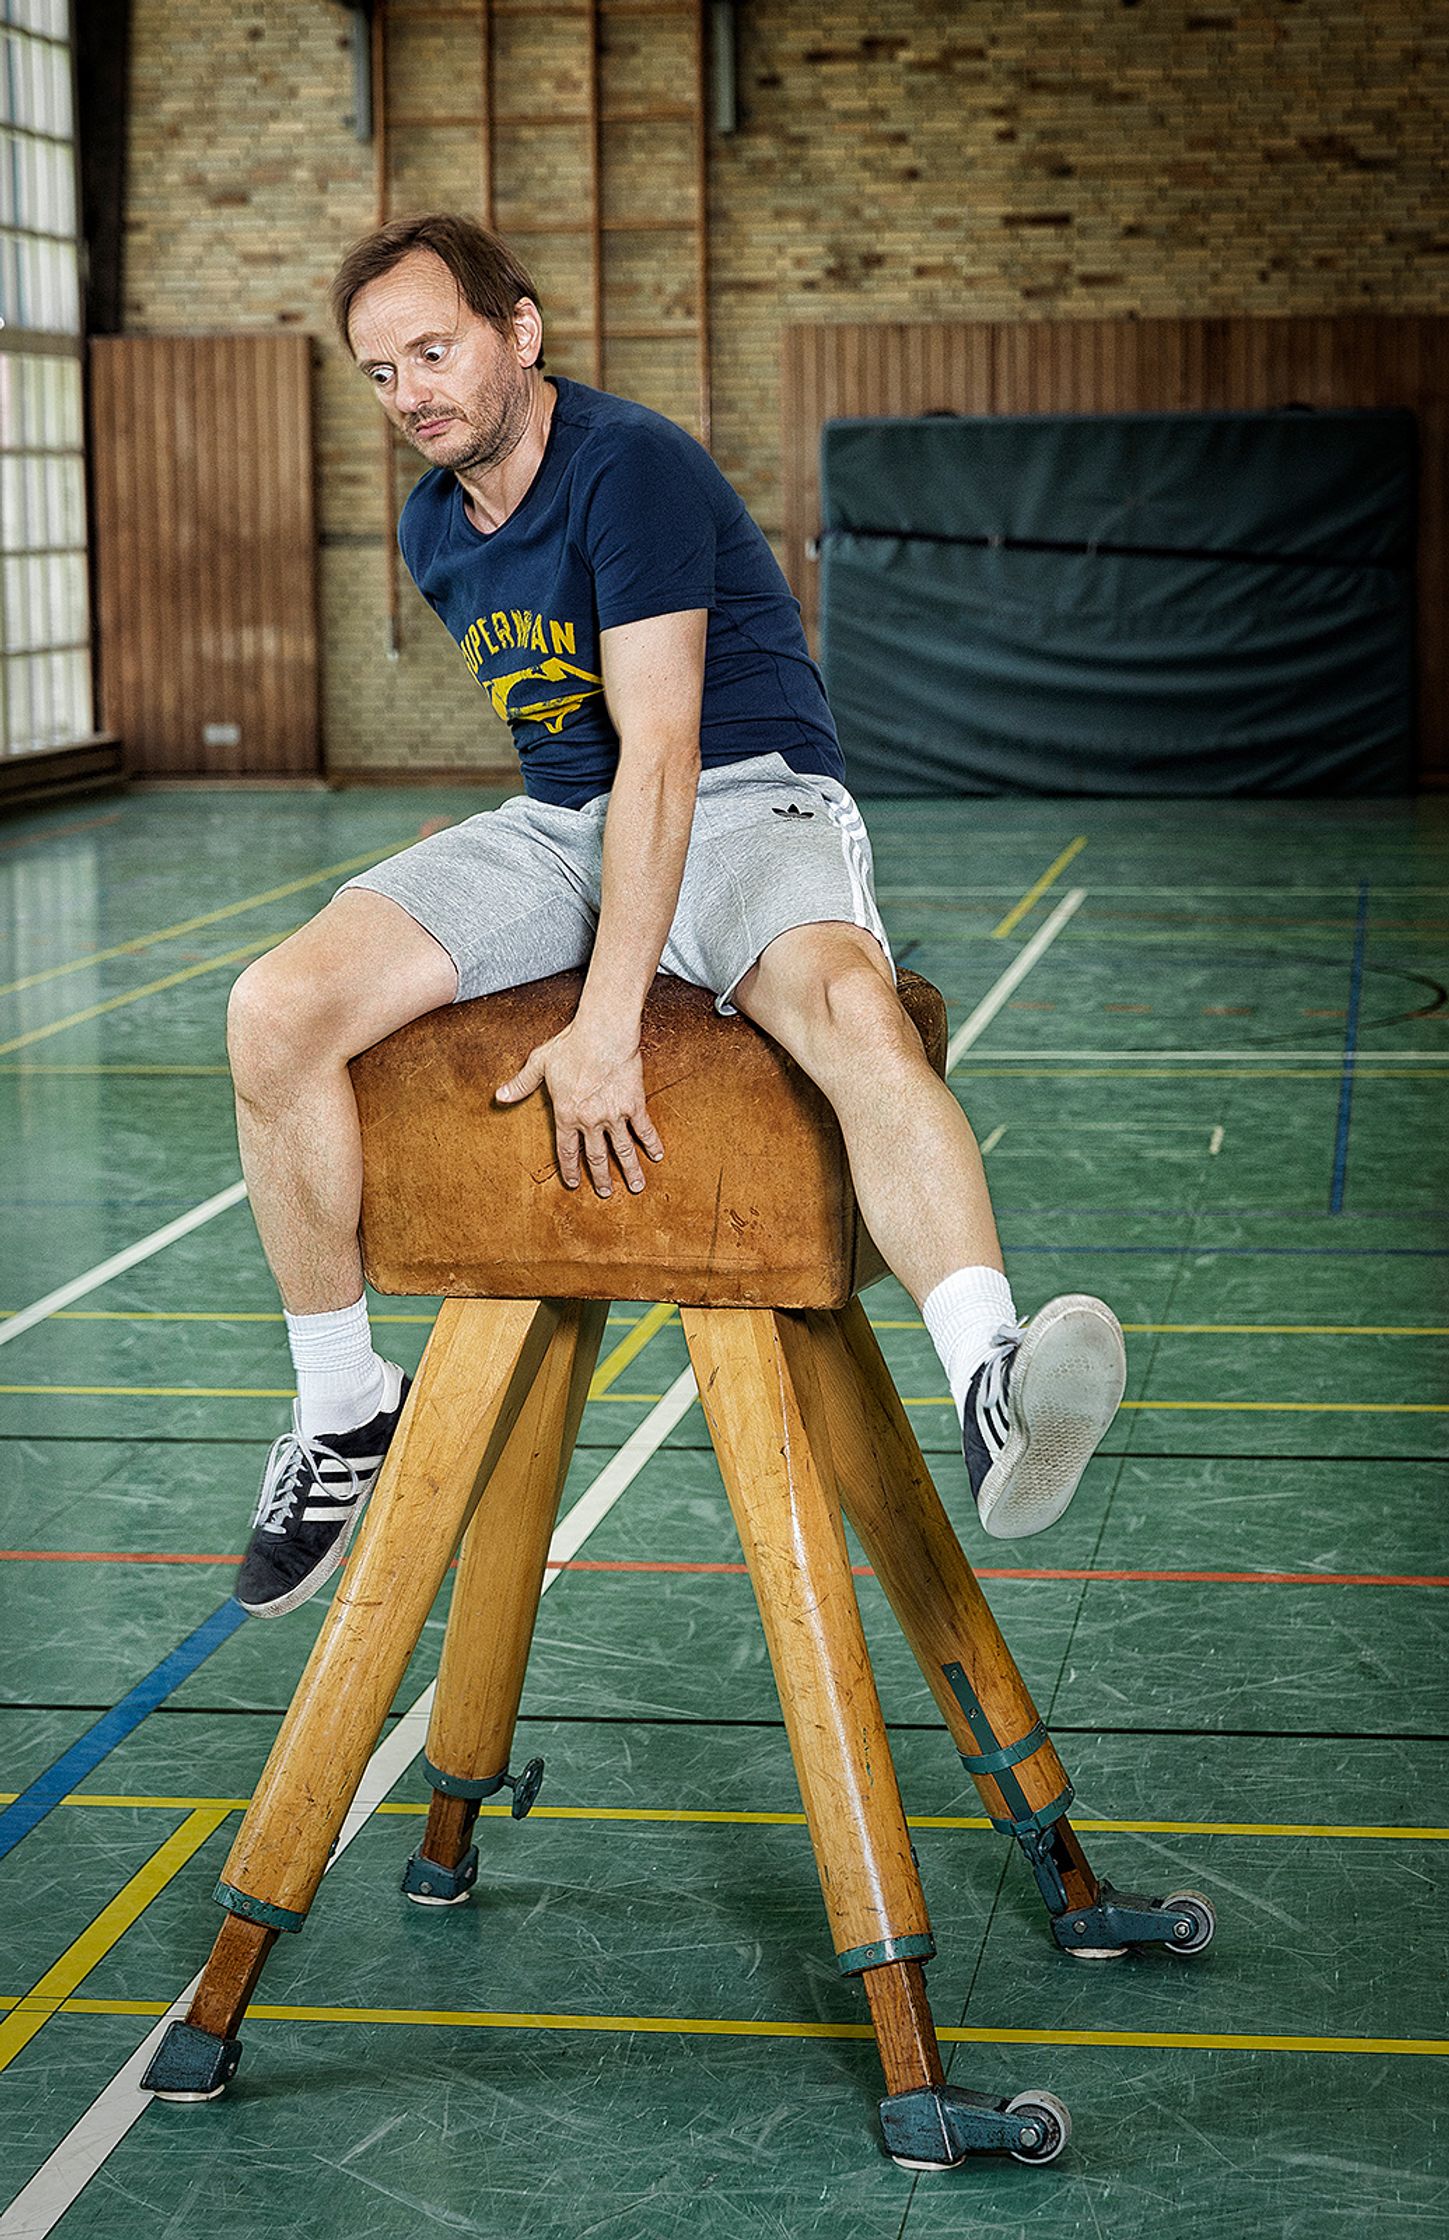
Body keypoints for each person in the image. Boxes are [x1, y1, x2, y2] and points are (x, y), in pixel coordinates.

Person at [230, 211, 1125, 1619]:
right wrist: (469, 888)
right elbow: (573, 769)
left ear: (517, 332)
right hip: (563, 827)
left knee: (845, 1010)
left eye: (434, 349)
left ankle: (991, 1374)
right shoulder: (429, 527)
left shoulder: (626, 463)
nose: (410, 393)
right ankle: (341, 1407)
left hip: (743, 793)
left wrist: (603, 1031)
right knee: (273, 1010)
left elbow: (663, 752)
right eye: (380, 372)